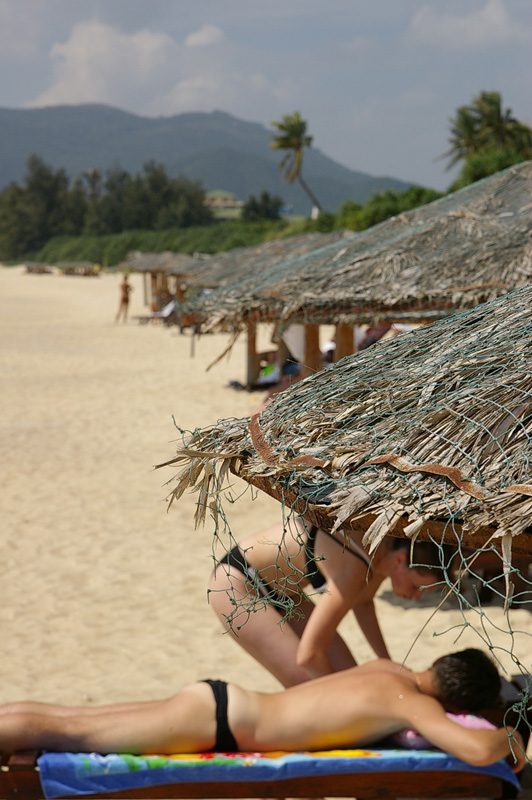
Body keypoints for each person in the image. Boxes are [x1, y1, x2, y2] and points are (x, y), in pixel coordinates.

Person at [0, 649, 524, 773]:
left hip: (220, 703)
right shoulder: (409, 701)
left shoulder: (388, 669)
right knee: (66, 730)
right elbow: (476, 748)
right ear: (459, 703)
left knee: (69, 719)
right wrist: (513, 739)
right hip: (220, 724)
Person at [208, 517, 448, 687]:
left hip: (285, 592)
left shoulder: (380, 553)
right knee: (309, 688)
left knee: (352, 679)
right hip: (237, 584)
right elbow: (309, 656)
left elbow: (363, 604)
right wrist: (341, 696)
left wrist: (390, 665)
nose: (417, 596)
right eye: (417, 586)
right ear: (400, 560)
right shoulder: (356, 567)